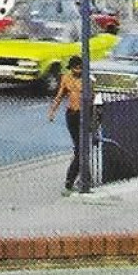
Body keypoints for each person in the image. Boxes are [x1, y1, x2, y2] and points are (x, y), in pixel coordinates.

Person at [48, 55, 90, 194]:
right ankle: (78, 178)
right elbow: (60, 95)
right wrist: (53, 111)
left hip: (84, 115)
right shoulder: (66, 78)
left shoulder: (87, 79)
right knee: (80, 148)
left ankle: (75, 179)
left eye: (79, 68)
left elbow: (93, 97)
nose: (77, 70)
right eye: (74, 68)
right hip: (72, 115)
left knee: (82, 148)